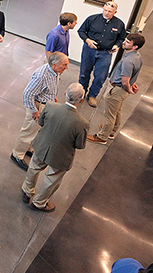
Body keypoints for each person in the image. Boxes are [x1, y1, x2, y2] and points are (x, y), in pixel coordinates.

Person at [22, 83, 88, 211]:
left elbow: (41, 122)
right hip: (61, 155)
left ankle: (27, 191)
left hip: (41, 146)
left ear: (65, 93)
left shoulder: (50, 106)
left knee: (34, 168)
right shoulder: (82, 123)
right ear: (80, 100)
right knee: (52, 179)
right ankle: (39, 202)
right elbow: (80, 145)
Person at [11, 52, 69, 170]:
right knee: (28, 131)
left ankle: (27, 149)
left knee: (37, 130)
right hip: (38, 107)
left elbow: (49, 87)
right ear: (54, 64)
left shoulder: (55, 72)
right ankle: (17, 154)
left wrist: (52, 97)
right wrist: (34, 111)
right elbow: (28, 94)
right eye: (64, 65)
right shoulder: (41, 75)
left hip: (46, 105)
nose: (66, 67)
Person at [89, 34, 146, 144]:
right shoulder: (137, 56)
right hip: (121, 91)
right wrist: (132, 85)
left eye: (128, 42)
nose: (124, 43)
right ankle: (111, 131)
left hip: (117, 90)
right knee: (117, 111)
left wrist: (129, 88)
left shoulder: (128, 61)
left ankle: (102, 136)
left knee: (109, 115)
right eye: (125, 40)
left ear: (135, 47)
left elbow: (125, 81)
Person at [77, 2, 127, 106]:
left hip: (105, 53)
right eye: (105, 10)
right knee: (84, 73)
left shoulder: (119, 24)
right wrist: (88, 40)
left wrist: (117, 46)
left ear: (115, 12)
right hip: (89, 50)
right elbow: (81, 31)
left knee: (101, 77)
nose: (107, 13)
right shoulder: (92, 19)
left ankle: (92, 95)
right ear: (103, 9)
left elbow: (121, 38)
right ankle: (81, 93)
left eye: (110, 11)